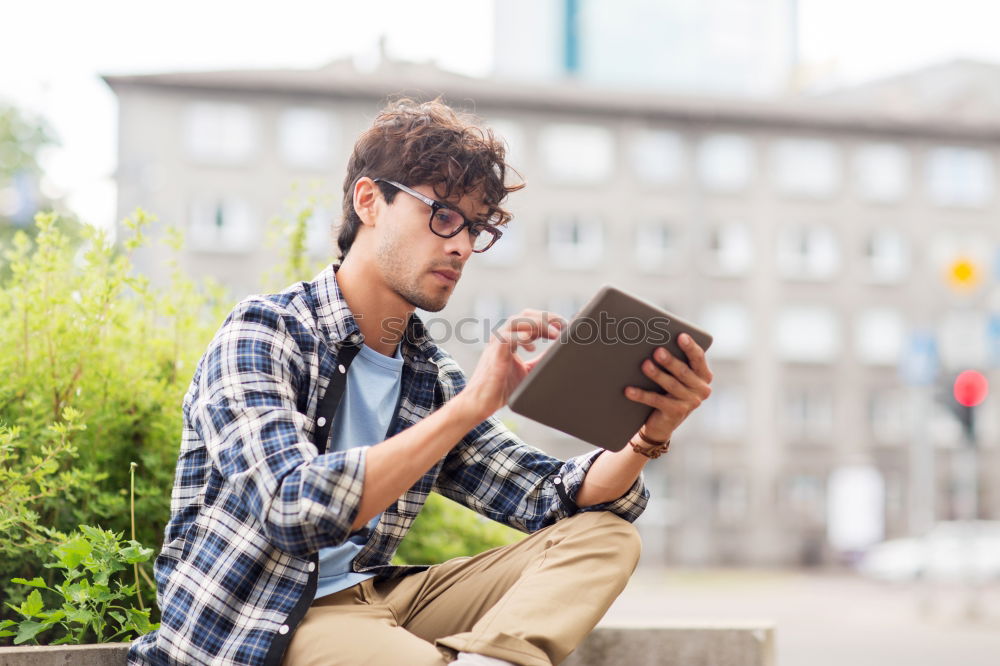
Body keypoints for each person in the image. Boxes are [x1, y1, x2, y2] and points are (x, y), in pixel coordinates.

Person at [128, 98, 713, 666]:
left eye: (475, 227)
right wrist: (467, 409)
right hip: (265, 620)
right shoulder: (264, 332)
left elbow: (545, 497)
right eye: (443, 214)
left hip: (377, 600)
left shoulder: (427, 376)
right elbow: (292, 508)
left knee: (605, 537)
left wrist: (645, 435)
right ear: (369, 201)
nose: (460, 244)